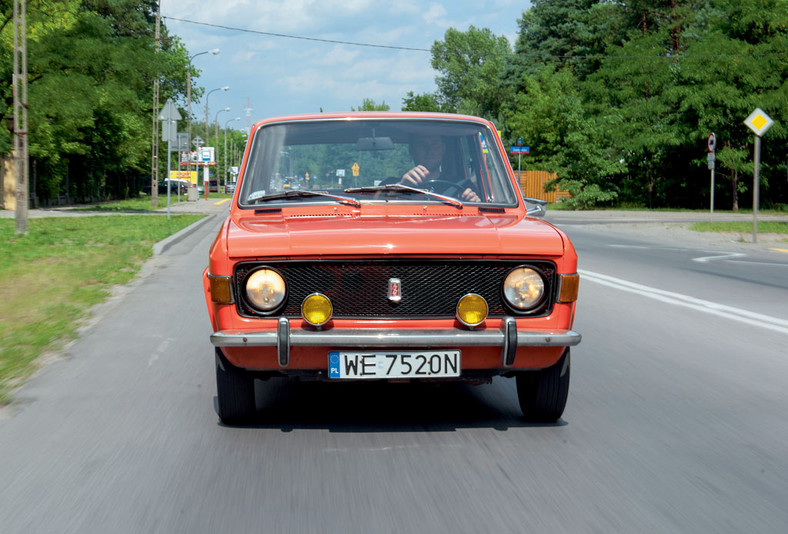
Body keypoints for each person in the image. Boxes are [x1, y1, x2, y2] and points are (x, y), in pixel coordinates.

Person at [400, 134, 480, 202]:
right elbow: (387, 206)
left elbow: (482, 214)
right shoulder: (396, 185)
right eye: (422, 144)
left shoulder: (463, 186)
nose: (429, 150)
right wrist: (399, 189)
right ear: (412, 150)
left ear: (443, 149)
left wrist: (473, 201)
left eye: (435, 144)